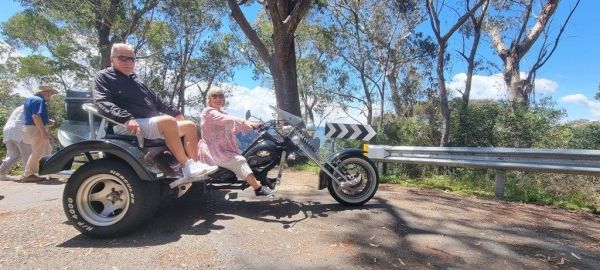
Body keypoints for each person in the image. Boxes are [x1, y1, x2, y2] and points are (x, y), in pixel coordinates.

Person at [93, 43, 217, 179]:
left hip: (150, 124)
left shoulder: (136, 79)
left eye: (132, 59)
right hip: (126, 125)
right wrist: (126, 118)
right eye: (123, 58)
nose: (128, 62)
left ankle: (193, 167)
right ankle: (187, 164)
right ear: (112, 58)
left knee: (190, 126)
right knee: (168, 121)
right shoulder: (103, 77)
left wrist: (175, 112)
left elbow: (157, 100)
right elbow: (102, 102)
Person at [197, 88, 276, 196]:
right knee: (240, 161)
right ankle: (258, 189)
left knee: (250, 155)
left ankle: (263, 178)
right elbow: (228, 120)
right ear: (209, 99)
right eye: (214, 96)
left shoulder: (223, 112)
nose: (218, 98)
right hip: (213, 150)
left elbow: (235, 127)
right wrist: (247, 122)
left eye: (220, 96)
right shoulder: (208, 112)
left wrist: (254, 126)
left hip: (225, 148)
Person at [21, 85, 58, 182]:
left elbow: (32, 115)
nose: (50, 96)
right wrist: (43, 132)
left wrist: (46, 120)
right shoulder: (39, 100)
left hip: (30, 127)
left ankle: (50, 172)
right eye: (50, 93)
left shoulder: (30, 99)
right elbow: (35, 116)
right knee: (38, 151)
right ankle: (28, 174)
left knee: (47, 149)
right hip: (35, 128)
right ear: (45, 92)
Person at [0, 105, 32, 181]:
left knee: (13, 155)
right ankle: (29, 175)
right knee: (27, 154)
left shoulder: (19, 108)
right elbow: (35, 118)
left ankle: (1, 172)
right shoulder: (33, 105)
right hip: (19, 129)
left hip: (8, 129)